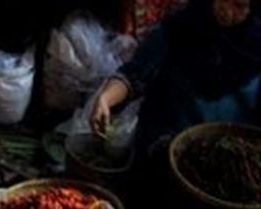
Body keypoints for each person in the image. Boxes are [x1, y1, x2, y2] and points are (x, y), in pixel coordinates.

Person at [90, 0, 261, 156]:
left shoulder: (256, 49)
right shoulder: (182, 25)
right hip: (163, 144)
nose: (226, 10)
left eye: (238, 6)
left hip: (228, 158)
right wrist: (106, 99)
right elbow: (136, 73)